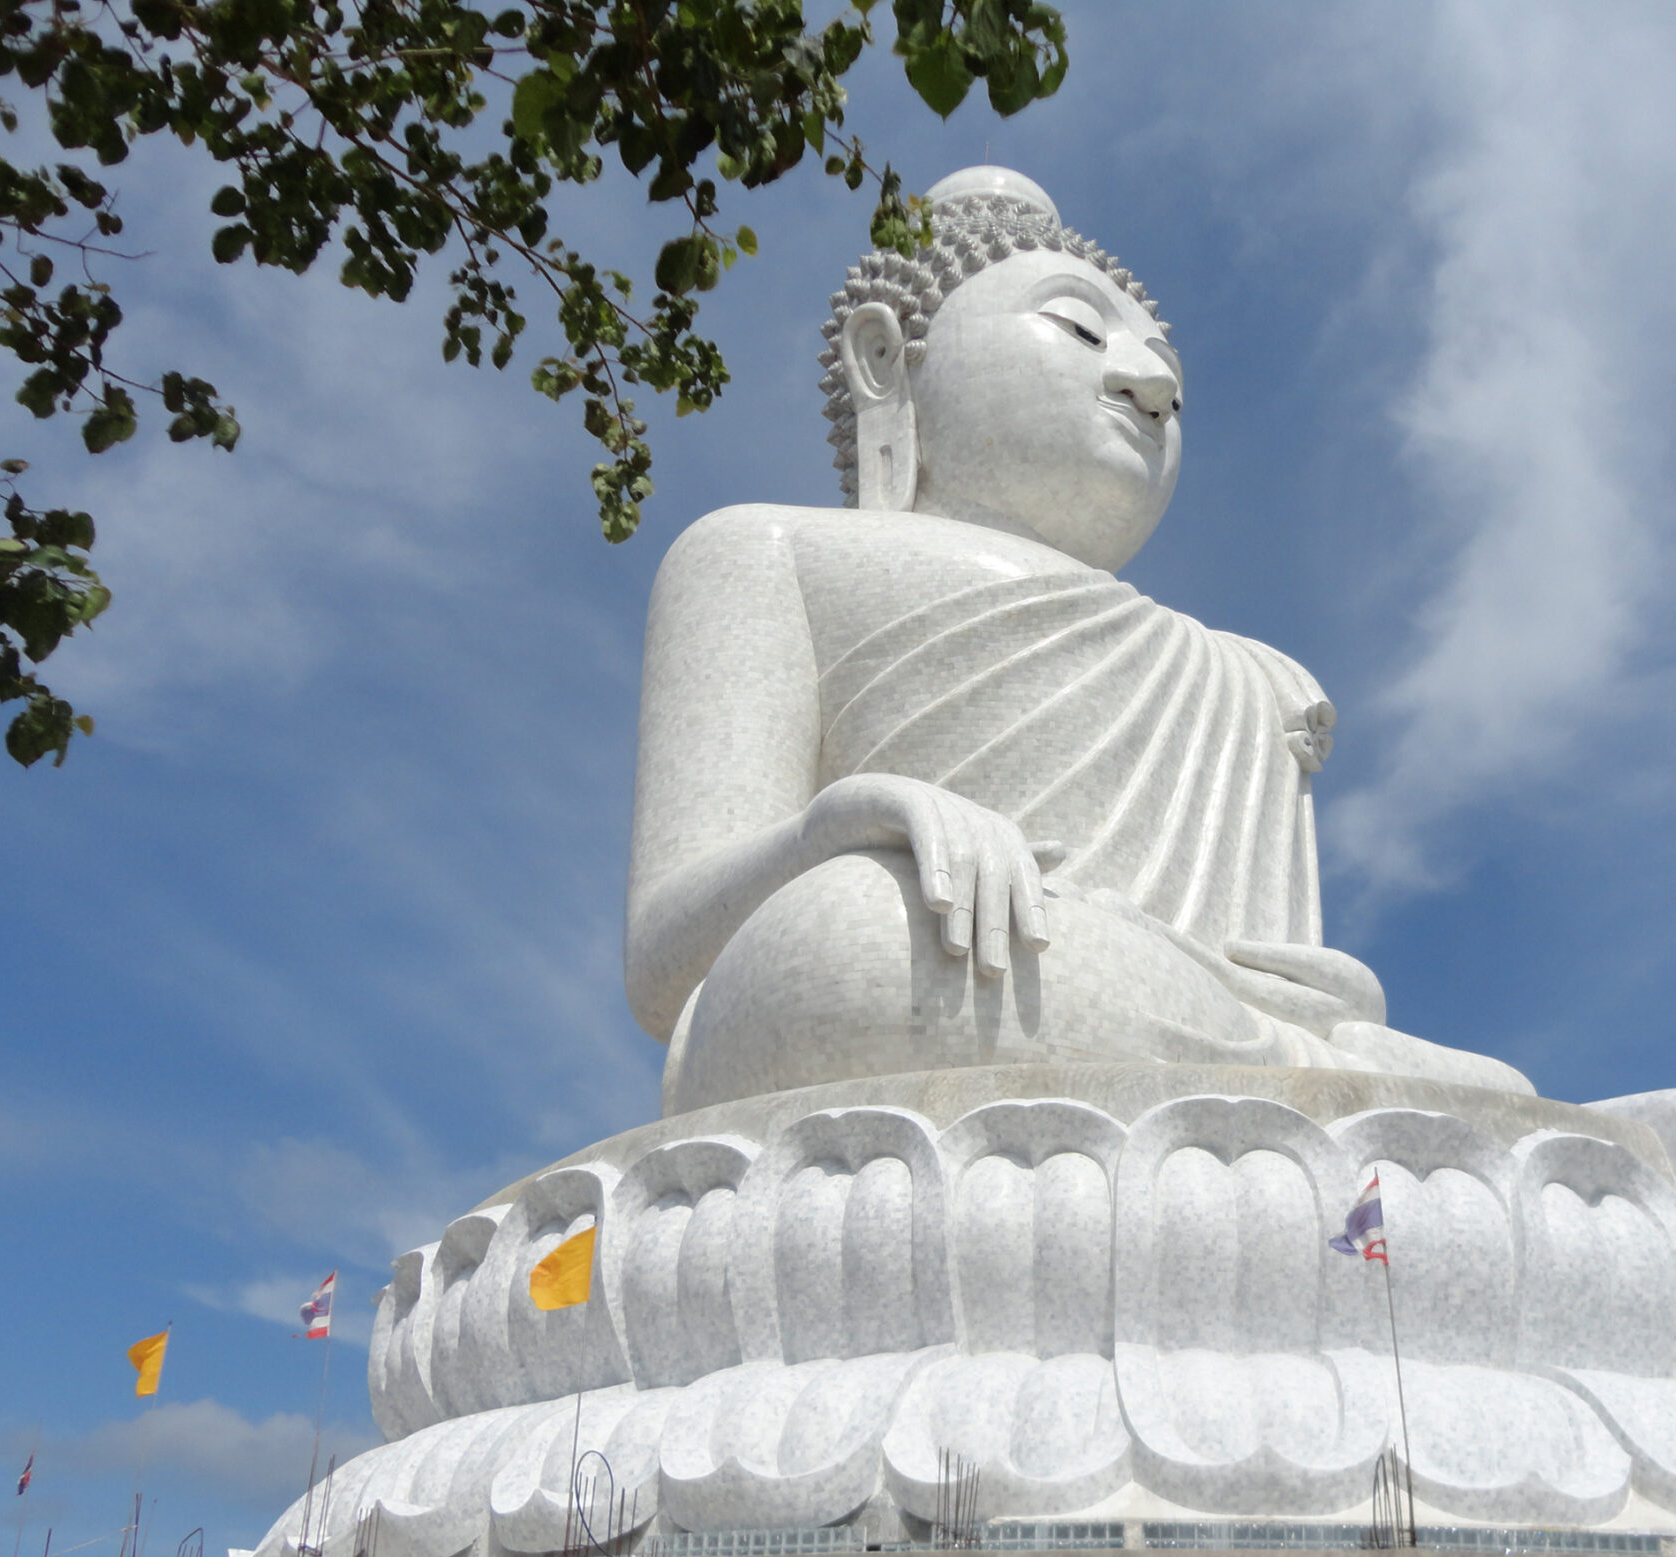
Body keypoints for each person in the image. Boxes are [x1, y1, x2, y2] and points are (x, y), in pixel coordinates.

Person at [624, 167, 1530, 1116]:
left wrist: (1327, 1003)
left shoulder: (1245, 675)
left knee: (1495, 1087)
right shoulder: (763, 549)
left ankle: (1312, 1075)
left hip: (1129, 1008)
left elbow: (1231, 962)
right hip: (917, 974)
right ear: (885, 357)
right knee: (842, 942)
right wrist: (838, 827)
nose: (1150, 387)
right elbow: (664, 966)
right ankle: (1333, 1094)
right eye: (1081, 331)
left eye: (1168, 376)